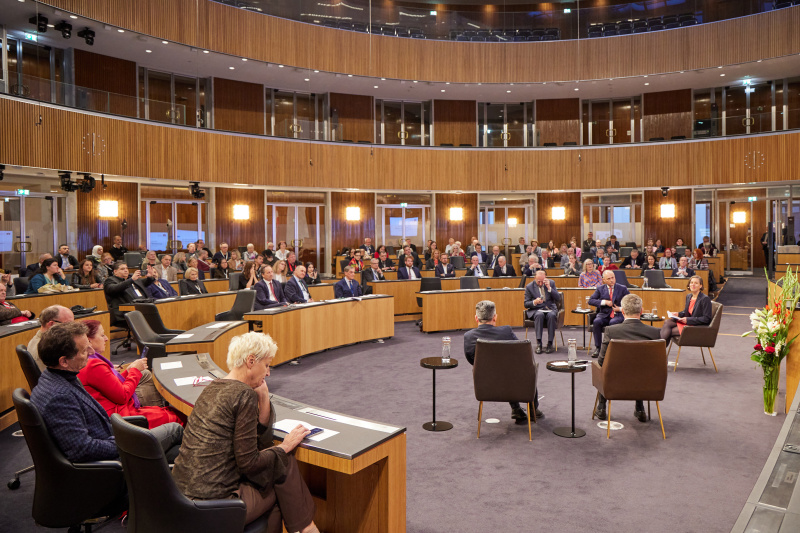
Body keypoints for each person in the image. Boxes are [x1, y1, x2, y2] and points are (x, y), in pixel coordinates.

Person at [172, 332, 318, 532]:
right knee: (279, 477)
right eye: (266, 365)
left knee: (277, 461)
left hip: (179, 497)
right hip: (213, 504)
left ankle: (306, 529)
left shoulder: (212, 388)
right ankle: (307, 528)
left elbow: (254, 443)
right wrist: (284, 446)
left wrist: (264, 397)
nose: (268, 373)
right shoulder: (243, 395)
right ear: (251, 361)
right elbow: (250, 463)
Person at [31, 322, 183, 465]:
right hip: (110, 461)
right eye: (84, 351)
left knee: (178, 453)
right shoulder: (59, 397)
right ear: (63, 361)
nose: (91, 352)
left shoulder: (58, 377)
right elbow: (82, 449)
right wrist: (124, 441)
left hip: (109, 438)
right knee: (174, 428)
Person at [78, 319, 183, 427]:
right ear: (88, 341)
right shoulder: (93, 365)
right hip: (120, 418)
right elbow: (122, 396)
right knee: (177, 417)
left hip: (115, 413)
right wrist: (135, 370)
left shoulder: (88, 361)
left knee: (170, 411)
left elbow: (111, 386)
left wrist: (128, 371)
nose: (106, 339)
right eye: (102, 335)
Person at [463, 300, 544, 423]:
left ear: (476, 318)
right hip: (510, 381)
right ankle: (533, 410)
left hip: (485, 385)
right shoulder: (506, 331)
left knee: (504, 370)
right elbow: (522, 355)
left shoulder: (468, 336)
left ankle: (516, 409)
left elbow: (471, 360)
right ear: (495, 317)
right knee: (527, 368)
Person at [593, 294, 661, 422]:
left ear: (622, 311)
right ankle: (640, 408)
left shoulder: (611, 331)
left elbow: (601, 361)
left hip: (615, 382)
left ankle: (601, 407)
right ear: (641, 311)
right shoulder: (654, 332)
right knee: (641, 368)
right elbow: (656, 364)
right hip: (645, 383)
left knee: (602, 368)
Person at [588, 270, 630, 357]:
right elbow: (591, 301)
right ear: (604, 280)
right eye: (609, 279)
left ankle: (611, 348)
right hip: (604, 314)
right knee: (597, 322)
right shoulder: (600, 289)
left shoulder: (622, 288)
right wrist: (605, 302)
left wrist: (619, 309)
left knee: (613, 323)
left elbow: (630, 302)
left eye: (613, 278)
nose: (611, 280)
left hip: (618, 314)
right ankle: (598, 348)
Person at [660, 275, 712, 346]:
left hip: (696, 326)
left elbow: (706, 319)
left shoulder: (705, 299)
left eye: (696, 283)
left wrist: (688, 320)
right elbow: (686, 312)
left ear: (700, 286)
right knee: (667, 322)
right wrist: (678, 314)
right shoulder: (689, 296)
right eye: (691, 282)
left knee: (669, 331)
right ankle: (660, 350)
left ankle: (659, 350)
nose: (693, 284)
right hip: (688, 322)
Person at [524, 271, 561, 353]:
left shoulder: (551, 283)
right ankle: (539, 343)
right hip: (537, 309)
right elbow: (526, 304)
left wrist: (549, 288)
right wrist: (534, 302)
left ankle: (550, 344)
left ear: (546, 278)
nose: (540, 283)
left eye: (542, 281)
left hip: (550, 308)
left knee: (551, 315)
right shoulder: (529, 286)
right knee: (539, 315)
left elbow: (558, 298)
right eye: (538, 281)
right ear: (535, 278)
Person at [28, 305, 74, 370]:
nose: (71, 328)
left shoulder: (39, 340)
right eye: (68, 324)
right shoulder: (49, 349)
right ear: (51, 324)